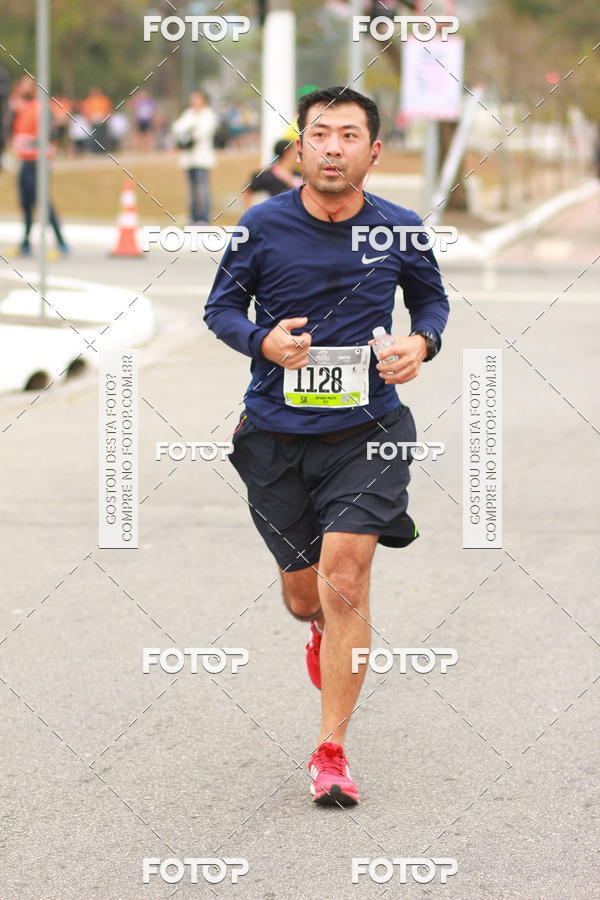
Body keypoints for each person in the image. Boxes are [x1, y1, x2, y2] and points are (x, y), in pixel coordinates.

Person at [204, 86, 449, 806]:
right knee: (304, 593)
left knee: (346, 575)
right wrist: (262, 341)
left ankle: (331, 751)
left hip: (368, 431)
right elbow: (219, 307)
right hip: (275, 437)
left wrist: (421, 342)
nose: (333, 147)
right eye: (320, 134)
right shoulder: (261, 226)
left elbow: (431, 301)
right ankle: (317, 629)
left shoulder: (400, 228)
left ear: (373, 151)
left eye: (349, 135)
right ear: (300, 147)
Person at [10, 80, 68, 256]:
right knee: (25, 203)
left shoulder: (42, 108)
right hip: (25, 161)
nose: (20, 88)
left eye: (25, 85)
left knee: (43, 201)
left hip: (39, 162)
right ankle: (25, 243)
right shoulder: (23, 109)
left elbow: (53, 134)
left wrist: (32, 143)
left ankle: (60, 243)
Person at [171, 91, 218, 224]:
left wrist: (190, 133)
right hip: (189, 159)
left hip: (202, 159)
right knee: (191, 189)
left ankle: (204, 217)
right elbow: (177, 127)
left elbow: (203, 131)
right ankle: (193, 216)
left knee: (202, 188)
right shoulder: (188, 114)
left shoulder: (208, 115)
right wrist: (188, 131)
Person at [242, 139, 302, 209]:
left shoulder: (299, 174)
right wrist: (251, 213)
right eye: (294, 150)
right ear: (287, 152)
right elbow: (246, 191)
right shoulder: (266, 175)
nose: (298, 153)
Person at [81, 87, 112, 152]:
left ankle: (103, 150)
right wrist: (88, 119)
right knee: (95, 136)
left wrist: (106, 117)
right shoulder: (89, 100)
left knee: (103, 135)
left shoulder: (104, 99)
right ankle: (95, 150)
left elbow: (108, 109)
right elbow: (86, 111)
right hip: (93, 121)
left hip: (103, 120)